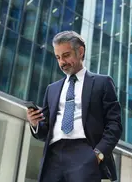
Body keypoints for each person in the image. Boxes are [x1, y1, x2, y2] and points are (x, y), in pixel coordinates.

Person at [26, 31, 122, 182]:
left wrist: (98, 154)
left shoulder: (102, 83)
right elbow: (44, 132)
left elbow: (114, 125)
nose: (62, 62)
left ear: (80, 51)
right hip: (53, 156)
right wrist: (35, 123)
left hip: (85, 152)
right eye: (58, 57)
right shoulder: (52, 89)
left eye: (66, 55)